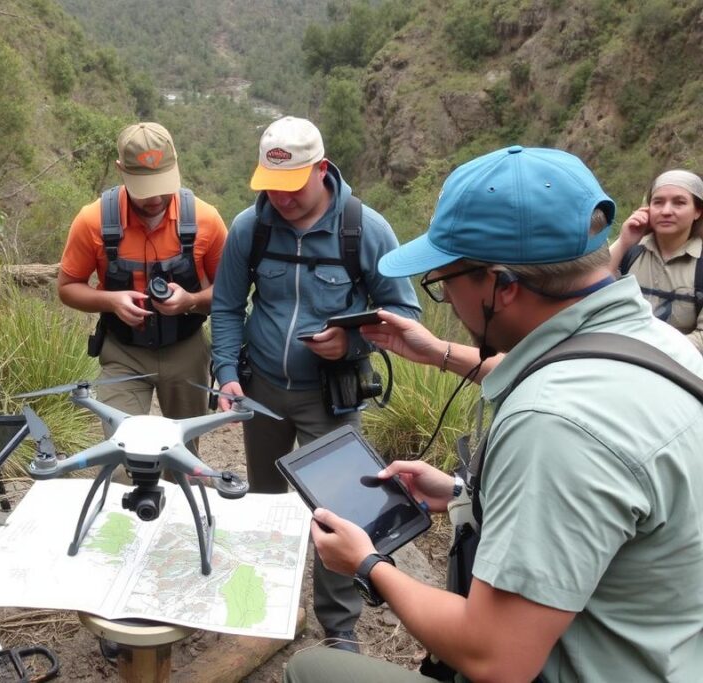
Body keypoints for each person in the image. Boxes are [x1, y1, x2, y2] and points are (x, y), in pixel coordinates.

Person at [285, 146, 703, 682]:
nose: (448, 300)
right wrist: (464, 491)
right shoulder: (662, 341)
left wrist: (368, 564)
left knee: (317, 670)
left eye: (444, 281)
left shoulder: (554, 427)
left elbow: (495, 658)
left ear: (502, 286)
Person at [210, 116, 421, 651]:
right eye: (270, 188)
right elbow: (228, 307)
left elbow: (402, 311)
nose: (279, 200)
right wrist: (227, 373)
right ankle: (260, 600)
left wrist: (351, 345)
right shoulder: (249, 229)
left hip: (330, 397)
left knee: (336, 510)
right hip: (261, 392)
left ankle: (340, 627)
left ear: (321, 170)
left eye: (291, 187)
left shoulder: (364, 230)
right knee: (262, 500)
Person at [57, 122, 227, 442]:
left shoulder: (206, 220)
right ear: (121, 170)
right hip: (123, 352)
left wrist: (190, 301)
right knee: (123, 452)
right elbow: (67, 287)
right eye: (144, 188)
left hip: (187, 350)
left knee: (183, 456)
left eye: (163, 185)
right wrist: (111, 300)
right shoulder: (92, 221)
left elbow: (229, 293)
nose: (155, 200)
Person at [609, 169, 703, 352]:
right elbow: (592, 292)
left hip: (680, 370)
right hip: (622, 357)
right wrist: (622, 243)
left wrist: (652, 351)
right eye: (658, 202)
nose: (666, 211)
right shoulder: (631, 253)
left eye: (679, 203)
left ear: (697, 211)